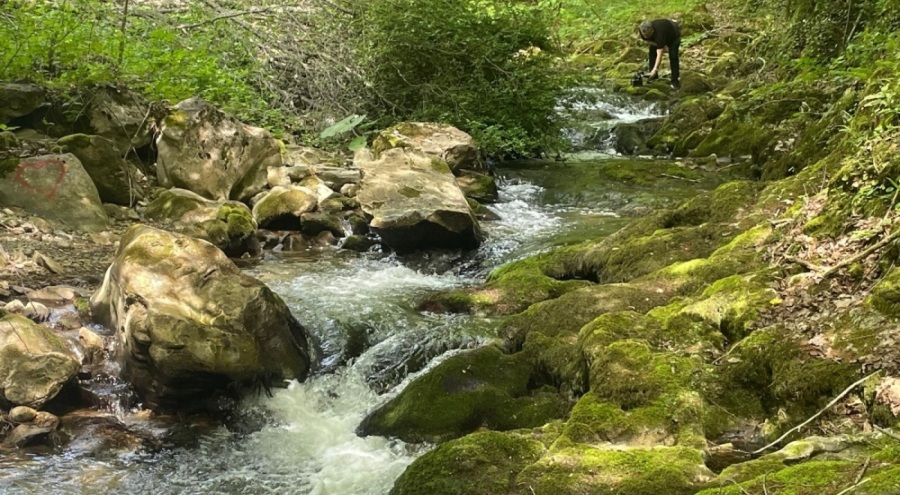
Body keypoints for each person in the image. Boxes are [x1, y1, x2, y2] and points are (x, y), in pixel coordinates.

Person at [638, 19, 681, 89]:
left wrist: (655, 69)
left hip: (673, 36)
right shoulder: (642, 30)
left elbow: (659, 55)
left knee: (673, 56)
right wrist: (658, 45)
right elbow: (647, 41)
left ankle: (675, 81)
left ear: (652, 30)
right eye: (644, 35)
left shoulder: (659, 34)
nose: (646, 36)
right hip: (657, 40)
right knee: (652, 53)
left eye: (648, 35)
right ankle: (653, 76)